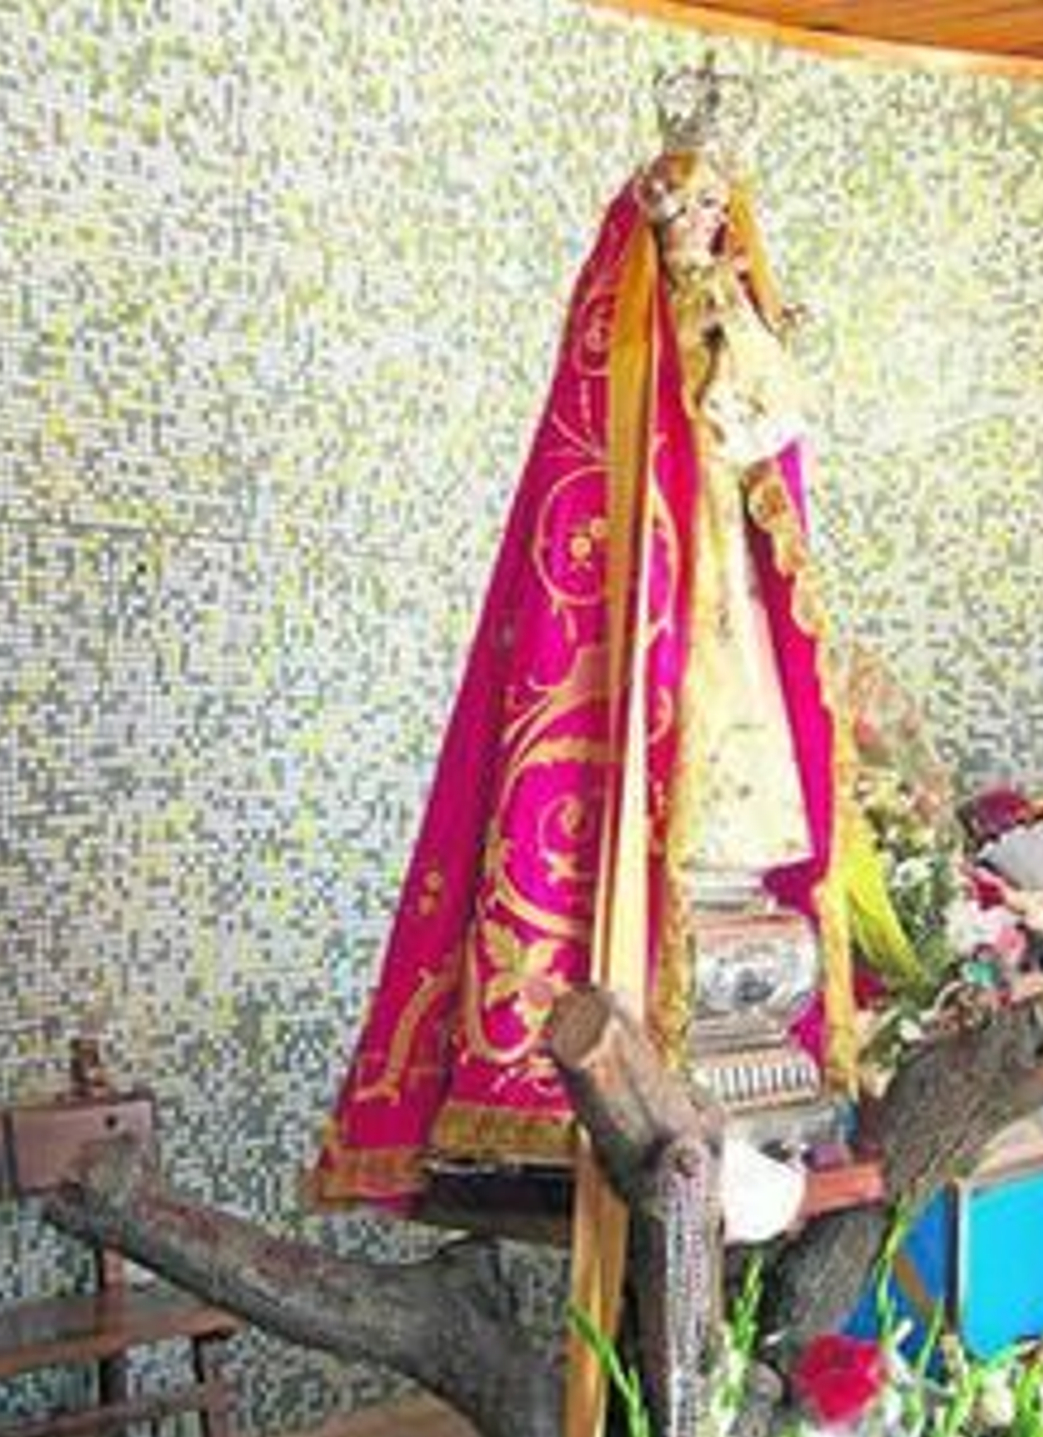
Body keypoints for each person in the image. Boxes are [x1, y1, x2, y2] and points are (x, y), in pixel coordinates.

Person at [308, 91, 853, 1211]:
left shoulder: (735, 317)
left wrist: (721, 319)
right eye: (678, 210)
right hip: (641, 605)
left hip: (726, 599)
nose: (695, 228)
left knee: (739, 771)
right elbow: (595, 482)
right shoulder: (617, 337)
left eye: (712, 212)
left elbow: (764, 418)